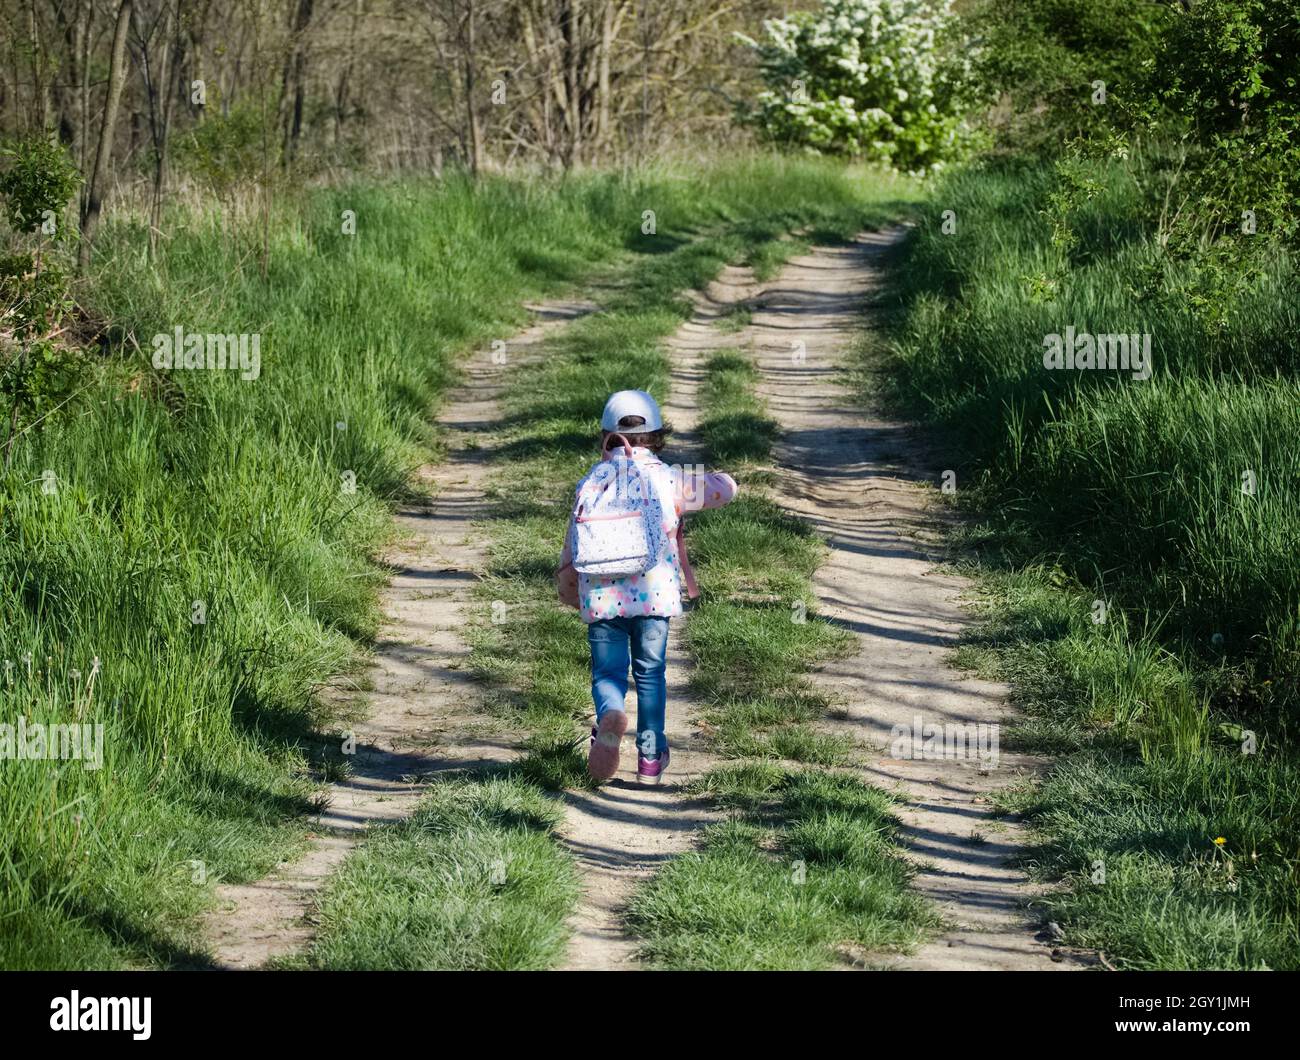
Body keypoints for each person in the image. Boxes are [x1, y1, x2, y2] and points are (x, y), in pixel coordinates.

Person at [556, 389, 738, 783]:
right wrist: (711, 475)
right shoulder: (669, 478)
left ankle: (608, 717)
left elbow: (573, 545)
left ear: (604, 436)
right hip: (655, 596)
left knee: (607, 673)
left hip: (602, 598)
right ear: (657, 437)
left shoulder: (591, 482)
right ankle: (651, 758)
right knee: (651, 672)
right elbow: (727, 489)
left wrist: (569, 590)